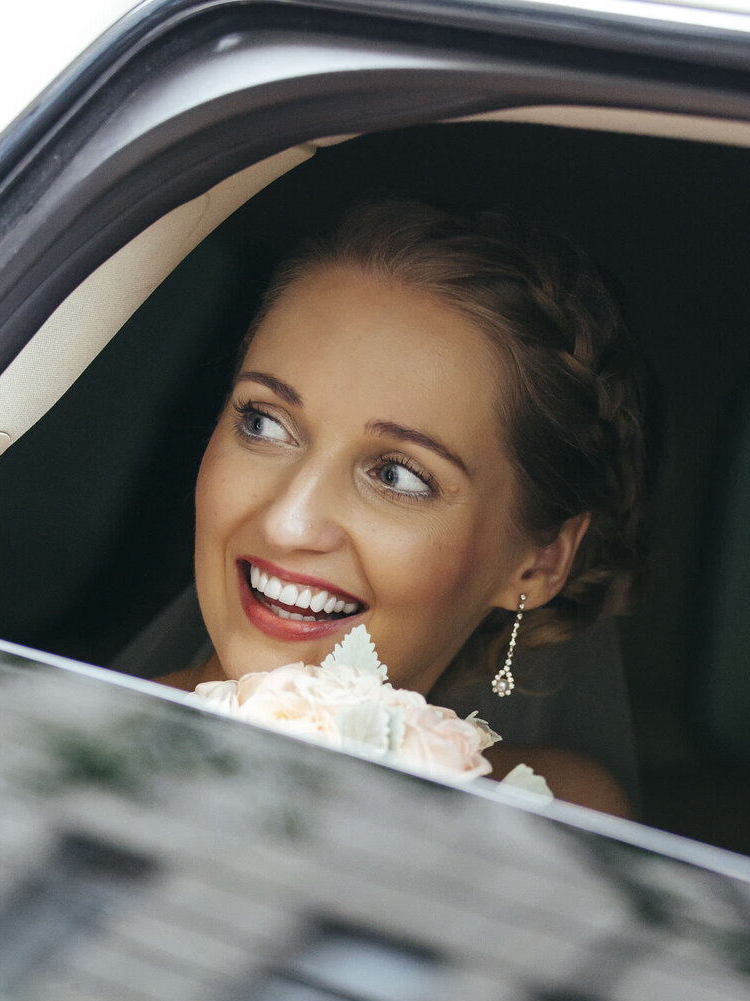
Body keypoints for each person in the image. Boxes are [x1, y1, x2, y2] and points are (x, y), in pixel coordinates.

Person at [157, 200, 648, 815]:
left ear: (541, 560)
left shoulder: (553, 817)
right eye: (264, 423)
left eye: (397, 475)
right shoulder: (51, 749)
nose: (289, 524)